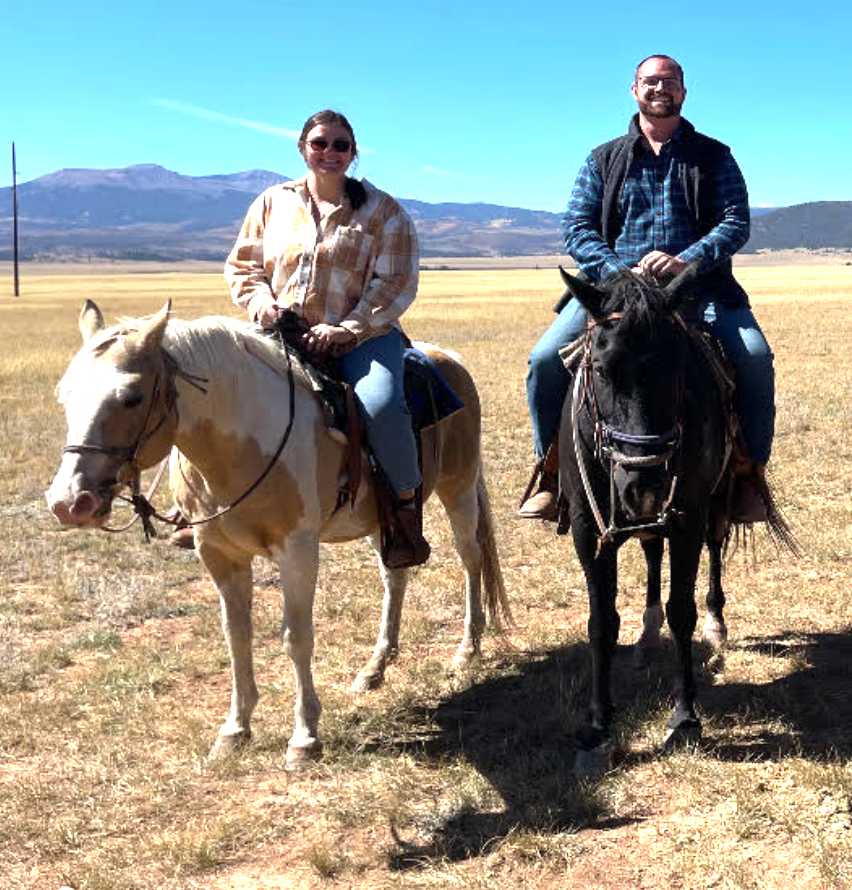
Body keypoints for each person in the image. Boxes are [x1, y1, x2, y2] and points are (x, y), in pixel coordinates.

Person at [519, 54, 775, 522]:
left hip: (699, 288)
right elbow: (576, 226)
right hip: (616, 291)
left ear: (684, 91)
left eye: (670, 82)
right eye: (651, 81)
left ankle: (747, 476)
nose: (660, 89)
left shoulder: (714, 155)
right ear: (634, 89)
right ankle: (553, 473)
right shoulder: (603, 158)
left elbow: (736, 221)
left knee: (754, 358)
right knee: (543, 362)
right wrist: (618, 272)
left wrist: (687, 260)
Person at [175, 109, 429, 568]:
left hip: (361, 338)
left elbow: (395, 283)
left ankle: (404, 507)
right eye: (319, 143)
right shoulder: (272, 202)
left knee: (382, 404)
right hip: (278, 332)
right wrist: (261, 305)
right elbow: (244, 266)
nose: (329, 153)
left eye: (340, 145)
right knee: (205, 386)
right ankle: (196, 503)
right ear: (302, 149)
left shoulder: (384, 211)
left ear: (354, 153)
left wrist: (345, 328)